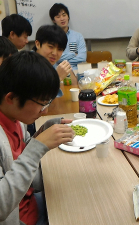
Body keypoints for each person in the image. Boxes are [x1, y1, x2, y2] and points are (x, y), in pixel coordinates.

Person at [0, 51, 74, 225]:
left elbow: (18, 157)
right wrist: (37, 147)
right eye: (42, 103)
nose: (45, 111)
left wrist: (41, 132)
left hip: (31, 201)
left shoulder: (15, 118)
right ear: (11, 97)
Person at [33, 25, 73, 95]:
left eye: (59, 49)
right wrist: (57, 78)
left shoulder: (49, 63)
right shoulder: (27, 64)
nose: (54, 53)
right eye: (51, 47)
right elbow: (37, 97)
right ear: (38, 44)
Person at [49, 3, 87, 71]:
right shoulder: (51, 37)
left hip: (76, 72)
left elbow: (82, 58)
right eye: (58, 17)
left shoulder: (78, 36)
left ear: (68, 16)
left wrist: (61, 60)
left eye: (64, 15)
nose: (62, 19)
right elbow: (54, 58)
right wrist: (73, 54)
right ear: (53, 20)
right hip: (58, 72)